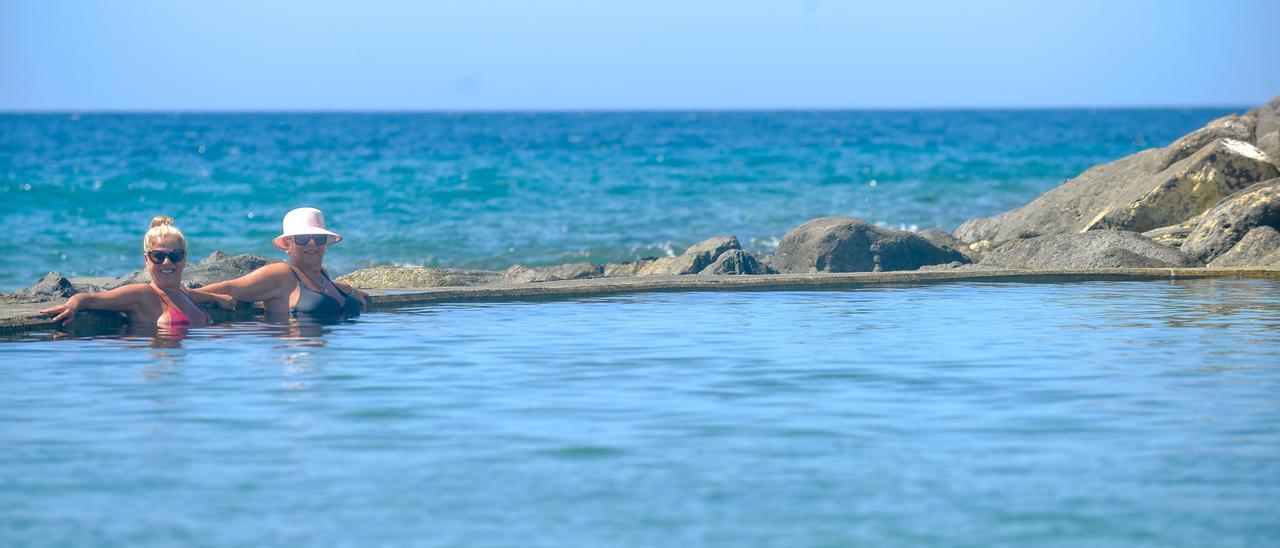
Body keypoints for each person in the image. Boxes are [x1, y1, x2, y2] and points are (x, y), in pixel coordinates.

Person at [40, 216, 234, 327]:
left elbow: (192, 294)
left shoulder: (181, 292)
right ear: (146, 259)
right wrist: (73, 305)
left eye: (175, 255)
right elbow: (92, 299)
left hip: (184, 379)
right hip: (160, 379)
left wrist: (217, 298)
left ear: (185, 259)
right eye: (158, 256)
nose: (167, 262)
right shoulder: (142, 294)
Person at [201, 207, 368, 321]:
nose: (311, 244)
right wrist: (188, 294)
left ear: (325, 244)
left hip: (328, 363)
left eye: (317, 238)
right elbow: (230, 288)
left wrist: (348, 289)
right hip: (298, 364)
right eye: (302, 239)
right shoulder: (281, 274)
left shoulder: (322, 276)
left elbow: (318, 289)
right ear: (287, 244)